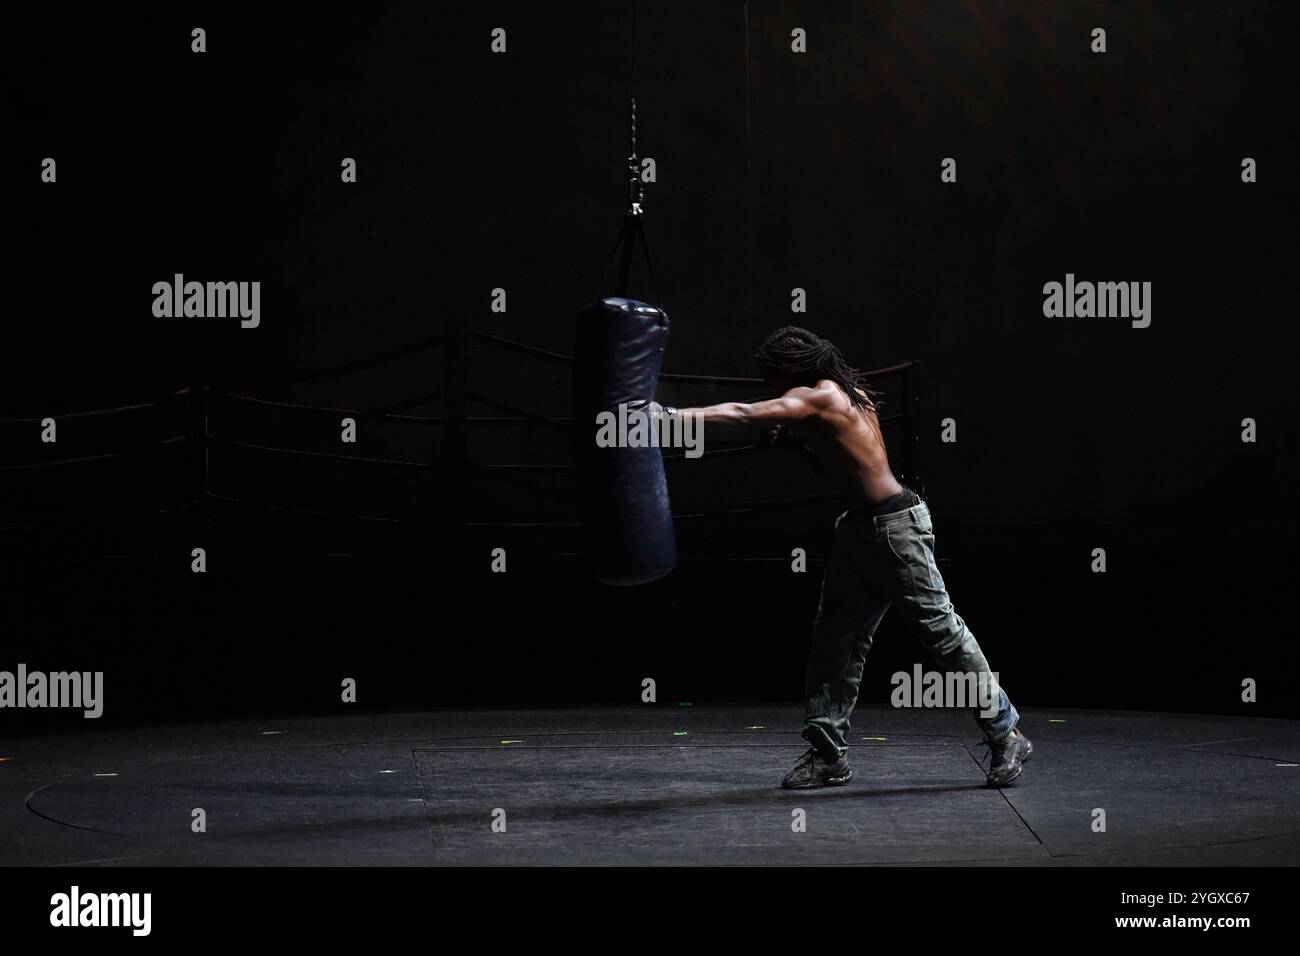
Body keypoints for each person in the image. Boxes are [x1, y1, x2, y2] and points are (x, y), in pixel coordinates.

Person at [675, 327, 1031, 788]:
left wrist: (665, 417)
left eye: (772, 375)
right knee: (836, 645)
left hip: (895, 531)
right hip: (859, 530)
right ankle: (828, 755)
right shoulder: (840, 397)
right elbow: (842, 466)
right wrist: (794, 444)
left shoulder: (825, 396)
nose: (770, 386)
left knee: (943, 634)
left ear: (791, 368)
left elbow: (744, 413)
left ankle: (1007, 734)